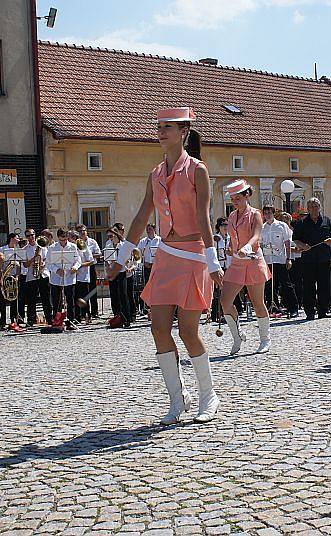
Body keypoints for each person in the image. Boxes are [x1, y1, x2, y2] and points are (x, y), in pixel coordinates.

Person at [108, 107, 224, 424]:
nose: (161, 132)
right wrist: (121, 257)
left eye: (168, 127)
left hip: (193, 256)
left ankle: (208, 395)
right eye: (159, 126)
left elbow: (203, 217)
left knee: (188, 331)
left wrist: (213, 261)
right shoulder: (155, 174)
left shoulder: (197, 170)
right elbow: (142, 216)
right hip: (166, 255)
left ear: (183, 132)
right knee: (158, 326)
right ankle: (177, 398)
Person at [220, 181, 272, 354]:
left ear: (247, 195)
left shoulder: (255, 214)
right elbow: (233, 237)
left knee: (258, 303)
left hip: (253, 261)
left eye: (237, 198)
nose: (234, 201)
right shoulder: (232, 216)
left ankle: (265, 339)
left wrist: (247, 247)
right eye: (232, 198)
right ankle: (237, 336)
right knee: (225, 302)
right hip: (236, 263)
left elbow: (256, 235)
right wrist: (231, 247)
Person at [293, 199, 331, 320]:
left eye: (316, 206)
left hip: (324, 258)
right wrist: (303, 246)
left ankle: (323, 310)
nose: (314, 208)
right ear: (307, 208)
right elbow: (295, 239)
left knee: (324, 285)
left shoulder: (327, 220)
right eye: (311, 206)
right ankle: (310, 312)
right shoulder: (302, 223)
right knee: (308, 287)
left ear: (320, 207)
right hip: (308, 260)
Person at [262, 205, 298, 318]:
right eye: (266, 213)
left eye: (269, 212)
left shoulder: (282, 226)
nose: (267, 215)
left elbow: (287, 243)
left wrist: (289, 258)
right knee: (269, 286)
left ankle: (293, 308)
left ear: (273, 213)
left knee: (286, 285)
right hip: (268, 260)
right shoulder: (262, 228)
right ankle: (272, 307)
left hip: (281, 260)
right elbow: (260, 244)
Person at [47, 228, 81, 330]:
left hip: (69, 276)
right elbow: (48, 263)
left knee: (70, 300)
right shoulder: (52, 248)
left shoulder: (73, 247)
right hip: (56, 278)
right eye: (62, 240)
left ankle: (71, 320)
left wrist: (75, 267)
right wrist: (56, 270)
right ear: (58, 238)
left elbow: (77, 259)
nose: (64, 242)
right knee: (56, 301)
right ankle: (56, 321)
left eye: (65, 239)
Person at [22, 228, 53, 326]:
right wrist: (33, 259)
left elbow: (48, 259)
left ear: (35, 235)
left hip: (43, 274)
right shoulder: (24, 249)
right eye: (28, 236)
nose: (31, 237)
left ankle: (49, 318)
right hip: (32, 275)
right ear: (26, 237)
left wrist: (43, 264)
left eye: (32, 235)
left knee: (46, 298)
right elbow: (25, 265)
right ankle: (31, 319)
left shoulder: (43, 246)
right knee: (31, 299)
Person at [105, 227, 131, 328]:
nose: (110, 238)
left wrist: (119, 262)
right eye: (108, 236)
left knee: (123, 295)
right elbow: (107, 258)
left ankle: (126, 318)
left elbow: (127, 258)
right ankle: (117, 317)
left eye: (111, 236)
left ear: (116, 235)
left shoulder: (123, 245)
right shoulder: (108, 245)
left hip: (121, 271)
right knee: (114, 294)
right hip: (112, 272)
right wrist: (109, 264)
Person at [0, 232, 24, 330]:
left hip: (13, 276)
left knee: (14, 298)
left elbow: (20, 265)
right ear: (12, 238)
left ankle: (13, 319)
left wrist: (17, 276)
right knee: (3, 299)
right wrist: (1, 278)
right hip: (5, 275)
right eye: (17, 238)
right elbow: (0, 265)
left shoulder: (19, 250)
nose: (19, 240)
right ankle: (2, 320)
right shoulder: (3, 249)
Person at [76, 224, 101, 318]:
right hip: (81, 269)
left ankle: (94, 311)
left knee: (92, 289)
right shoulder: (77, 243)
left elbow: (99, 254)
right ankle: (85, 312)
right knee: (83, 291)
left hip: (91, 267)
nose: (82, 232)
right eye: (80, 231)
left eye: (83, 230)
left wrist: (89, 256)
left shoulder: (92, 242)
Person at [71, 230, 95, 322]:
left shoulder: (83, 246)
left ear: (74, 238)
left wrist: (80, 265)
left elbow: (91, 261)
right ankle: (77, 317)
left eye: (69, 238)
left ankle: (87, 315)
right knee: (75, 298)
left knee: (84, 298)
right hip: (73, 277)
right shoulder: (71, 248)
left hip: (83, 276)